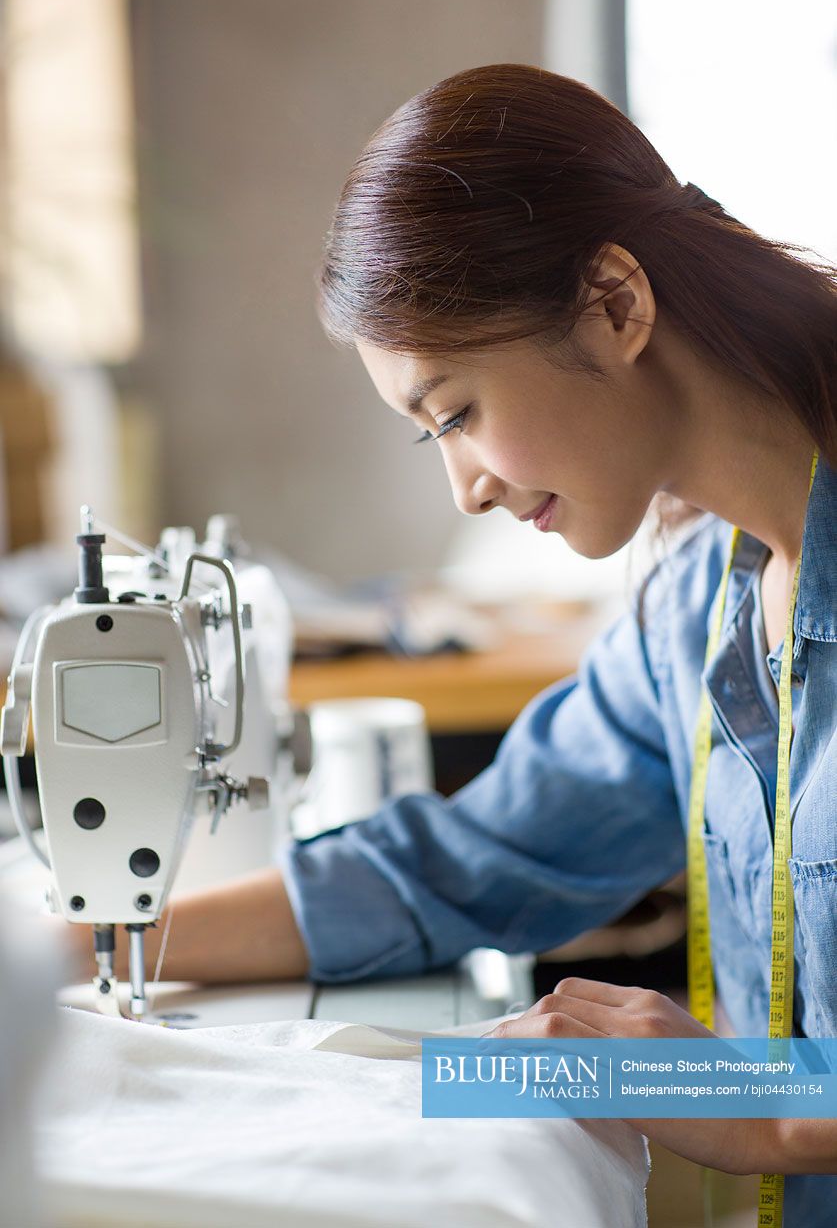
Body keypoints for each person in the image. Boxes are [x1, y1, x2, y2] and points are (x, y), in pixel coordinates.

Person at [79, 65, 837, 1220]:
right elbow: (465, 861)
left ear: (617, 306)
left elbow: (783, 1105)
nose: (466, 490)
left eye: (459, 412)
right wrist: (77, 938)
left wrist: (772, 1109)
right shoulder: (699, 616)